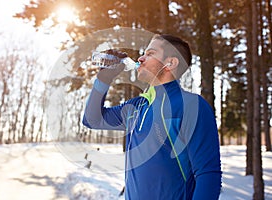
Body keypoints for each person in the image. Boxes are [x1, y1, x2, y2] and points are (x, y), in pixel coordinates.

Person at [83, 34, 222, 200]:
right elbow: (92, 119)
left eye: (150, 53)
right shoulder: (137, 107)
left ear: (170, 63)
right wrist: (104, 78)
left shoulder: (190, 105)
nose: (141, 58)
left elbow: (208, 174)